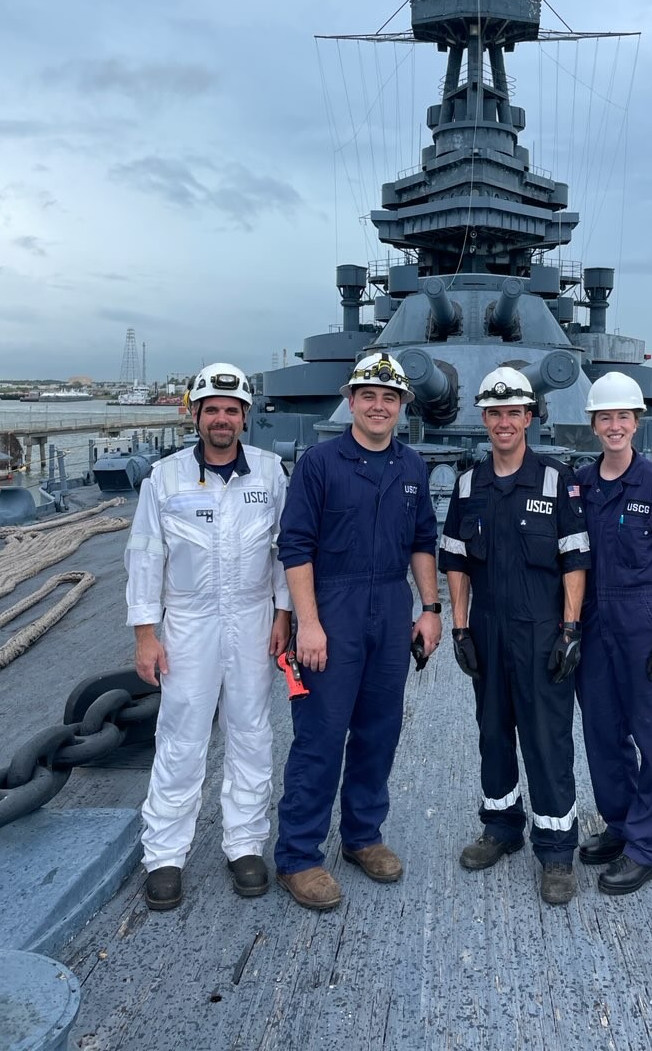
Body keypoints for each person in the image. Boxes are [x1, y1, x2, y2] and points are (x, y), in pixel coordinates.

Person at [275, 352, 440, 911]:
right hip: (334, 608)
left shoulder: (411, 467)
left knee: (378, 731)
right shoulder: (320, 463)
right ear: (351, 401)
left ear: (401, 407)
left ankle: (362, 836)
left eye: (388, 398)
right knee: (320, 736)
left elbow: (422, 542)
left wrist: (430, 607)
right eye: (368, 395)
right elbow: (295, 547)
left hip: (391, 606)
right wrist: (309, 623)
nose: (377, 405)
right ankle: (298, 856)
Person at [126, 362, 292, 911]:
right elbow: (147, 557)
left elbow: (283, 552)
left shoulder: (269, 474)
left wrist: (283, 614)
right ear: (195, 415)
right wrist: (146, 634)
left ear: (245, 416)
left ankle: (244, 843)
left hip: (250, 619)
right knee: (181, 736)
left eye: (232, 410)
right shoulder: (166, 478)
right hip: (188, 623)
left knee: (251, 732)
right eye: (212, 409)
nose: (222, 419)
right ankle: (166, 855)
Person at [438, 366, 590, 906]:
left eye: (514, 413)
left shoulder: (555, 481)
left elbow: (574, 558)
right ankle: (501, 828)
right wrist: (460, 625)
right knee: (493, 732)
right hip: (487, 630)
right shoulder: (468, 485)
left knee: (547, 739)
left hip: (542, 632)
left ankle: (555, 849)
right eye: (495, 413)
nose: (504, 422)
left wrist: (571, 628)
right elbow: (454, 559)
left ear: (529, 417)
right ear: (484, 418)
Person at [574, 372, 652, 895]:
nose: (614, 426)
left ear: (636, 422)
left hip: (647, 625)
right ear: (593, 424)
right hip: (594, 624)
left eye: (623, 416)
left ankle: (647, 848)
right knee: (603, 736)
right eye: (605, 417)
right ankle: (622, 825)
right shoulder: (580, 484)